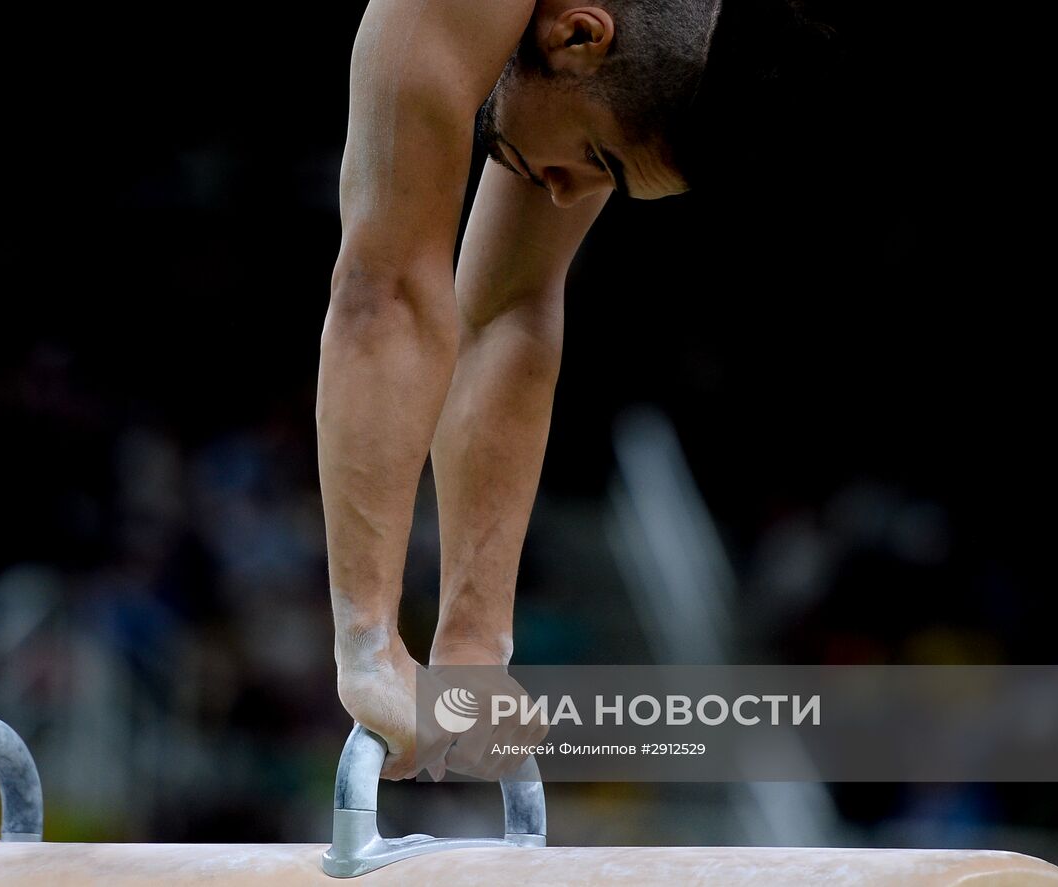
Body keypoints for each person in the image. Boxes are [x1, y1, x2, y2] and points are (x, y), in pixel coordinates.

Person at [317, 0, 840, 781]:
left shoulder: (598, 45)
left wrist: (472, 650)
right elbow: (383, 290)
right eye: (599, 158)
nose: (567, 195)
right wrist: (370, 646)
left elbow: (505, 312)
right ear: (579, 34)